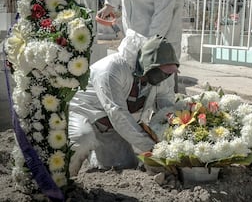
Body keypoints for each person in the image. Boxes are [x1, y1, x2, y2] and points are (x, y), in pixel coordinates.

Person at [68, 30, 180, 177]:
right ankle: (63, 180)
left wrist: (174, 140)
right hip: (83, 114)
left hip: (109, 127)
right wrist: (153, 148)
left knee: (126, 165)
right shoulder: (110, 69)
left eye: (169, 73)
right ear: (148, 65)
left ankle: (96, 153)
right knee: (83, 140)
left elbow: (165, 109)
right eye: (163, 72)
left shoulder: (163, 78)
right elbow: (117, 113)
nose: (166, 77)